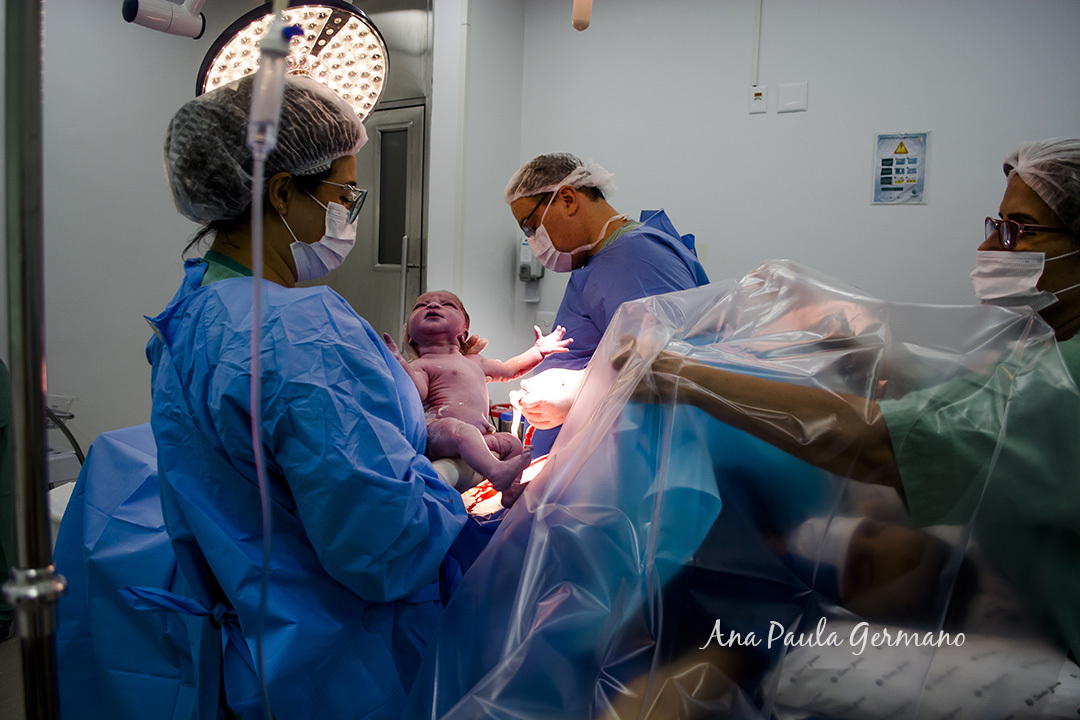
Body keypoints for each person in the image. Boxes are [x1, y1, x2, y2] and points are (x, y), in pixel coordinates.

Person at [617, 138, 1080, 660]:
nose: (992, 249)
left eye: (1018, 231)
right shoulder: (1042, 352)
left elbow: (882, 443)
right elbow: (967, 404)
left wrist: (684, 376)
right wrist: (877, 361)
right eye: (996, 226)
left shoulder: (1067, 378)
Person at [147, 74, 483, 720]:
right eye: (343, 195)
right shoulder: (300, 333)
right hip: (343, 667)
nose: (349, 213)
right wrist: (452, 473)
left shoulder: (189, 316)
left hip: (256, 652)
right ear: (280, 193)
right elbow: (382, 545)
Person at [504, 153, 710, 455]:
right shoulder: (605, 261)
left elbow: (672, 372)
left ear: (567, 199)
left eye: (531, 226)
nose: (533, 240)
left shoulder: (636, 258)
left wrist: (580, 392)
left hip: (620, 467)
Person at [383, 290, 571, 490]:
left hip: (479, 438)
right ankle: (496, 472)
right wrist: (400, 364)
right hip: (439, 433)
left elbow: (509, 370)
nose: (433, 306)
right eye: (421, 305)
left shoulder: (476, 361)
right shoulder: (421, 365)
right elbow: (417, 392)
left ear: (464, 330)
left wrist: (537, 352)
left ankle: (511, 488)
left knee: (512, 443)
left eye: (447, 304)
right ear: (410, 336)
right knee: (465, 432)